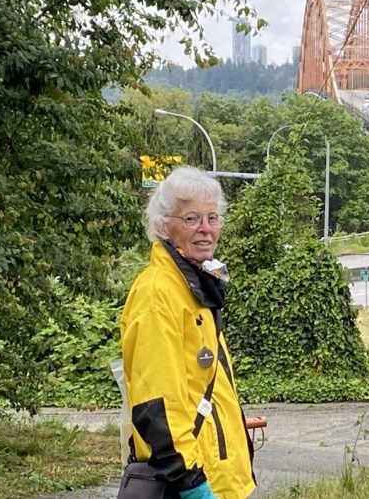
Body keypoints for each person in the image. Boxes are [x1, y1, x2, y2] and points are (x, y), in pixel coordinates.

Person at [120, 166, 255, 499]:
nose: (206, 229)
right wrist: (192, 483)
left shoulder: (194, 286)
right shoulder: (158, 293)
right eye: (192, 219)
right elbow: (157, 403)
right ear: (164, 226)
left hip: (222, 477)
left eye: (213, 217)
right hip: (188, 481)